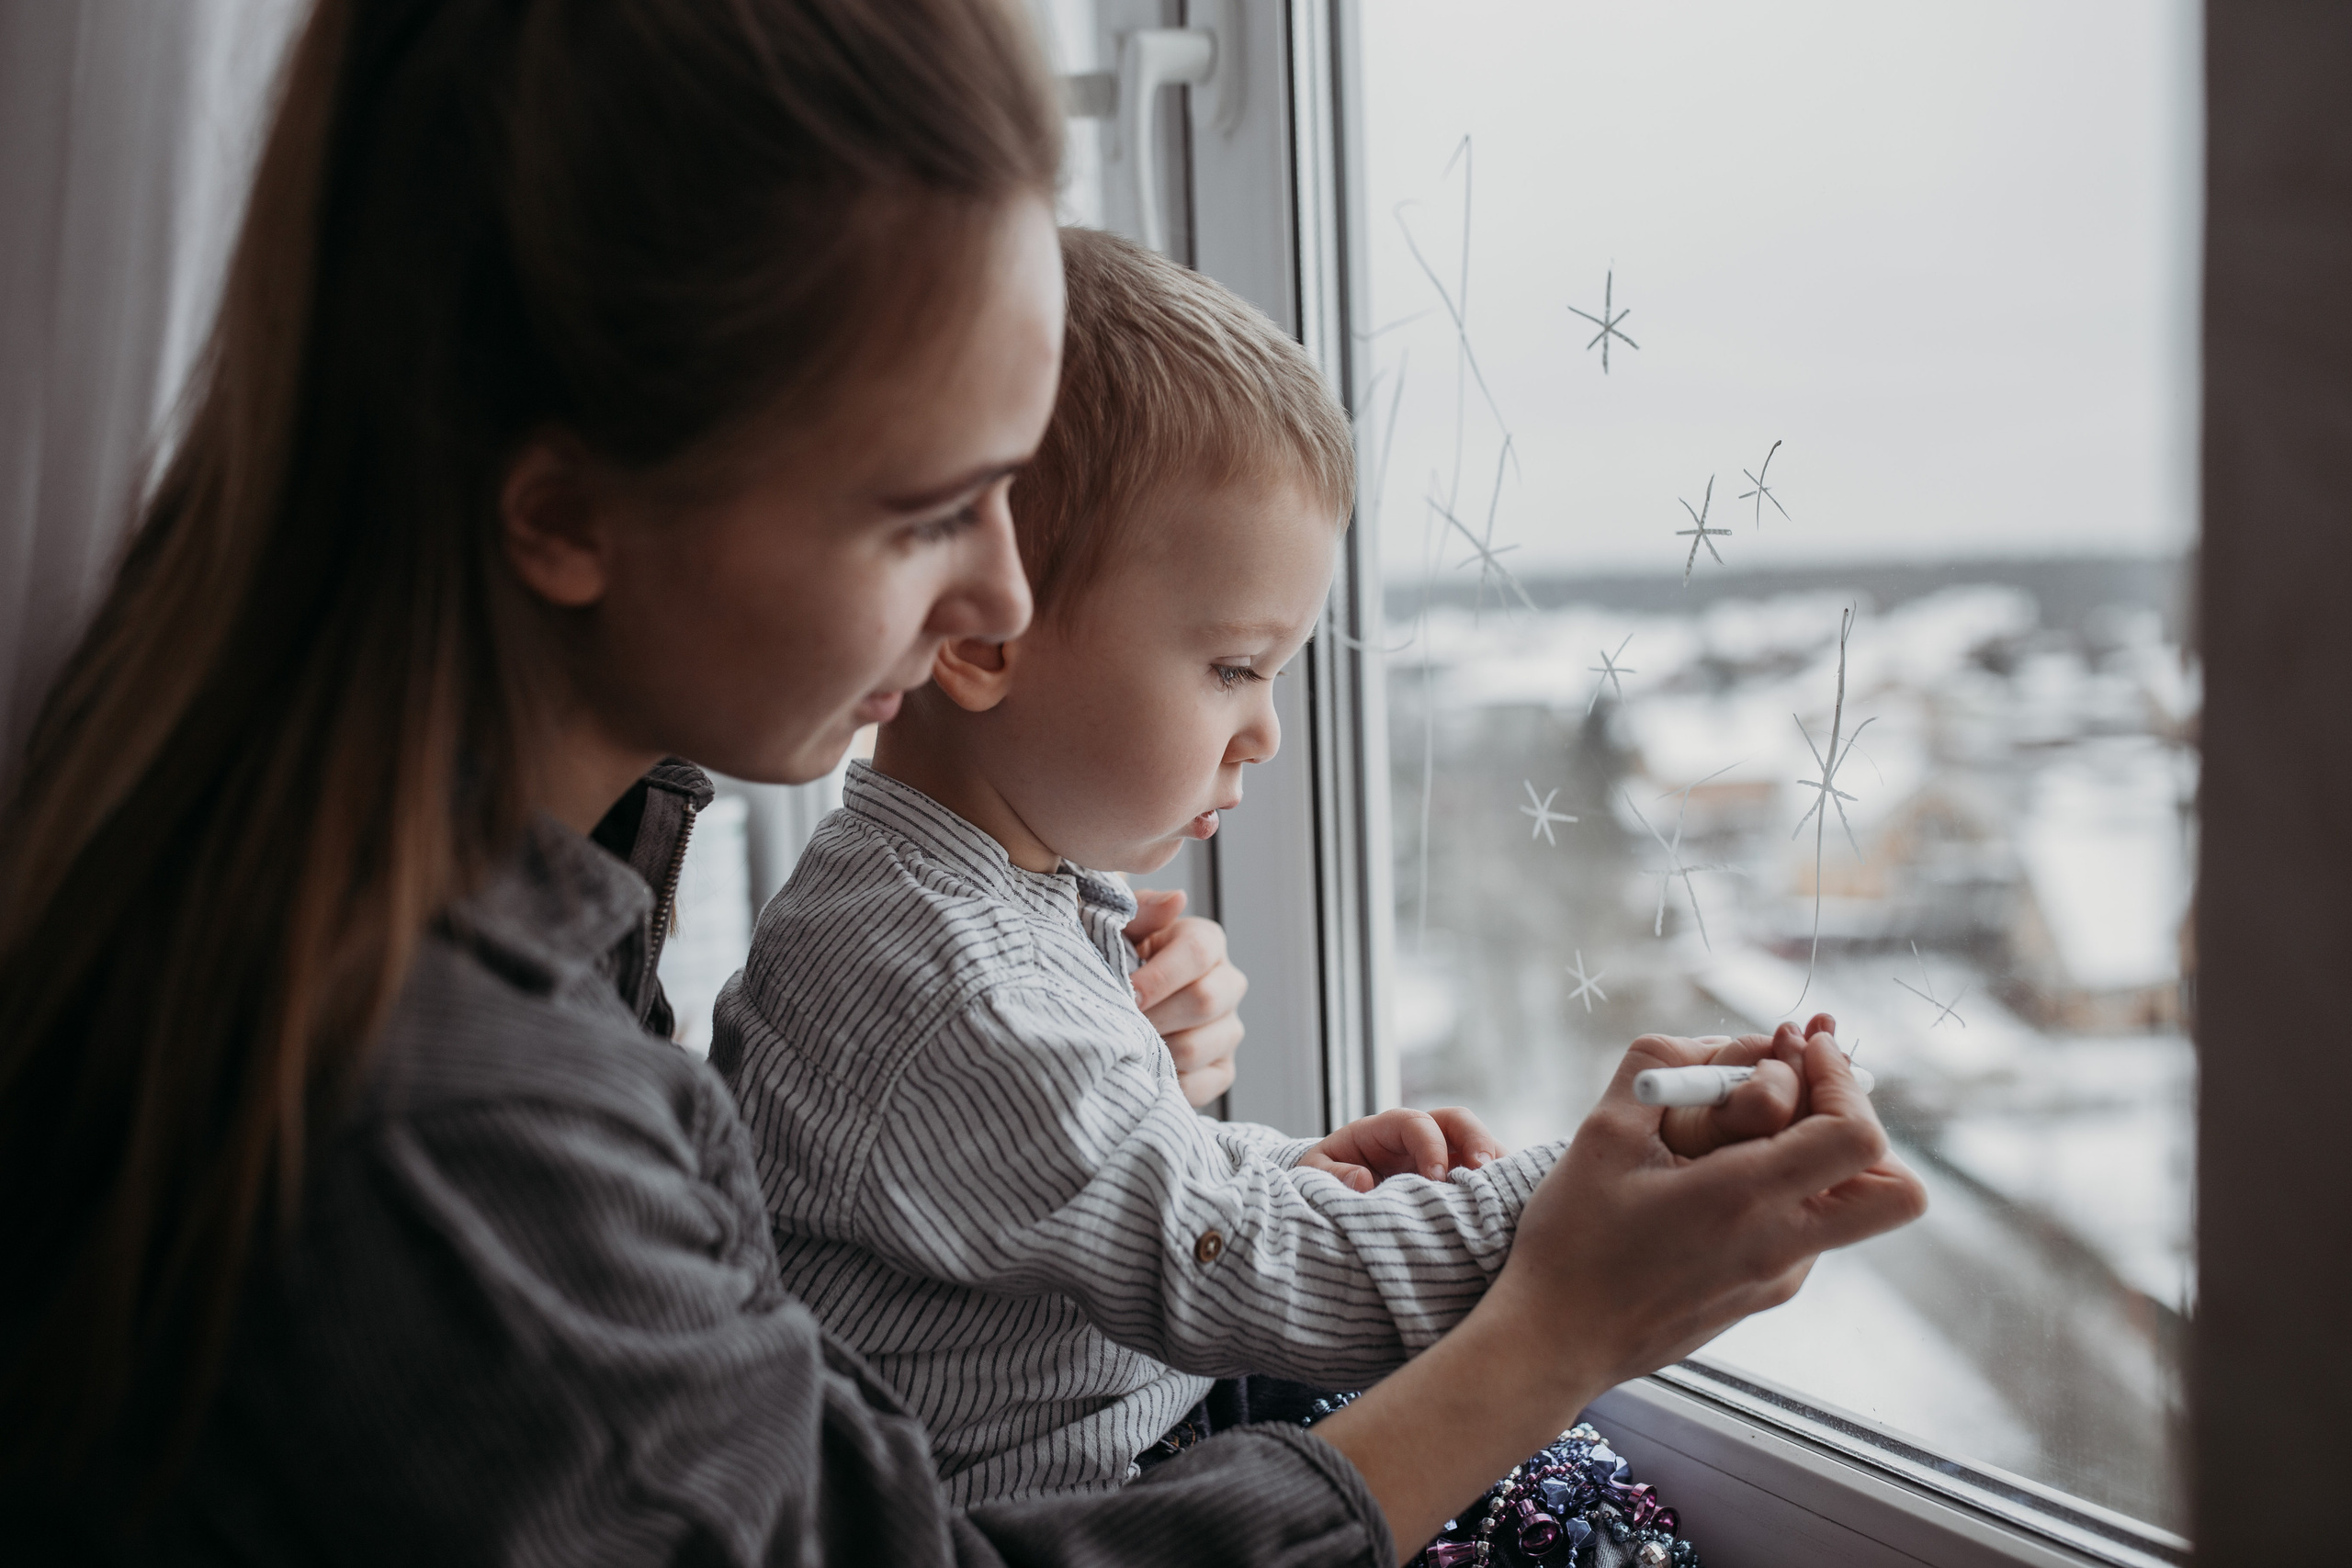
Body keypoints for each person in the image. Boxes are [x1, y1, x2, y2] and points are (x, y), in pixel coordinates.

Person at [0, 0, 1927, 1562]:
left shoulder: (510, 883)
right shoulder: (438, 1130)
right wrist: (1557, 1326)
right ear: (566, 506)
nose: (994, 602)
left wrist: (1137, 1131)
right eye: (927, 510)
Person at [711, 226, 1826, 1510]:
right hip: (1061, 1510)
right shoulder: (942, 979)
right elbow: (1217, 1267)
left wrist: (1287, 1177)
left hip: (1142, 1430)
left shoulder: (971, 894)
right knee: (1584, 1519)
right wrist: (1589, 1188)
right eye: (1234, 667)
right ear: (978, 641)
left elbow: (1111, 1192)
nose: (1267, 731)